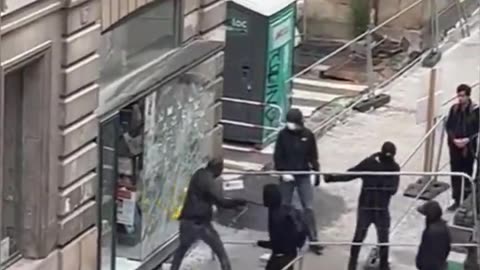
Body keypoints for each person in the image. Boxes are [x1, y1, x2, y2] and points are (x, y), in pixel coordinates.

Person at [324, 141, 400, 270]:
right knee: (358, 237)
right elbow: (351, 174)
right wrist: (333, 178)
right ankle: (351, 265)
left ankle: (384, 266)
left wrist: (380, 183)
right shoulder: (369, 163)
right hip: (366, 207)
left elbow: (393, 189)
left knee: (384, 239)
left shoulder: (394, 167)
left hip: (381, 209)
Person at [171, 159, 247, 270]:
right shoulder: (208, 181)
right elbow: (220, 201)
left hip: (188, 220)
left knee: (181, 251)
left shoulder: (199, 174)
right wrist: (237, 202)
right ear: (217, 169)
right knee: (220, 251)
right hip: (200, 223)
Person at [273, 108, 322, 255]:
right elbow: (278, 156)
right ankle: (281, 237)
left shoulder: (308, 135)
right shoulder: (283, 135)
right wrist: (282, 171)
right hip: (288, 175)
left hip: (303, 175)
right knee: (284, 207)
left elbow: (313, 156)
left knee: (308, 207)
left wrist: (316, 172)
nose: (290, 126)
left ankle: (313, 238)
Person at [257, 184, 308, 270]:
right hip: (291, 251)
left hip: (281, 255)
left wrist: (260, 243)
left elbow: (277, 243)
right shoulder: (288, 209)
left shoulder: (275, 216)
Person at [445, 84, 480, 211]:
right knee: (455, 173)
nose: (460, 98)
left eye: (462, 96)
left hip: (468, 148)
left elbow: (477, 129)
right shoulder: (454, 109)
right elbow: (448, 126)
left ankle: (465, 199)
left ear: (468, 96)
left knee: (467, 172)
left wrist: (467, 140)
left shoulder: (475, 110)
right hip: (455, 147)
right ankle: (456, 199)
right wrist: (453, 139)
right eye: (458, 95)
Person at [416, 200, 451, 270]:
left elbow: (424, 253)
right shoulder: (445, 227)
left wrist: (419, 264)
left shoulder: (430, 232)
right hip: (441, 265)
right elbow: (448, 248)